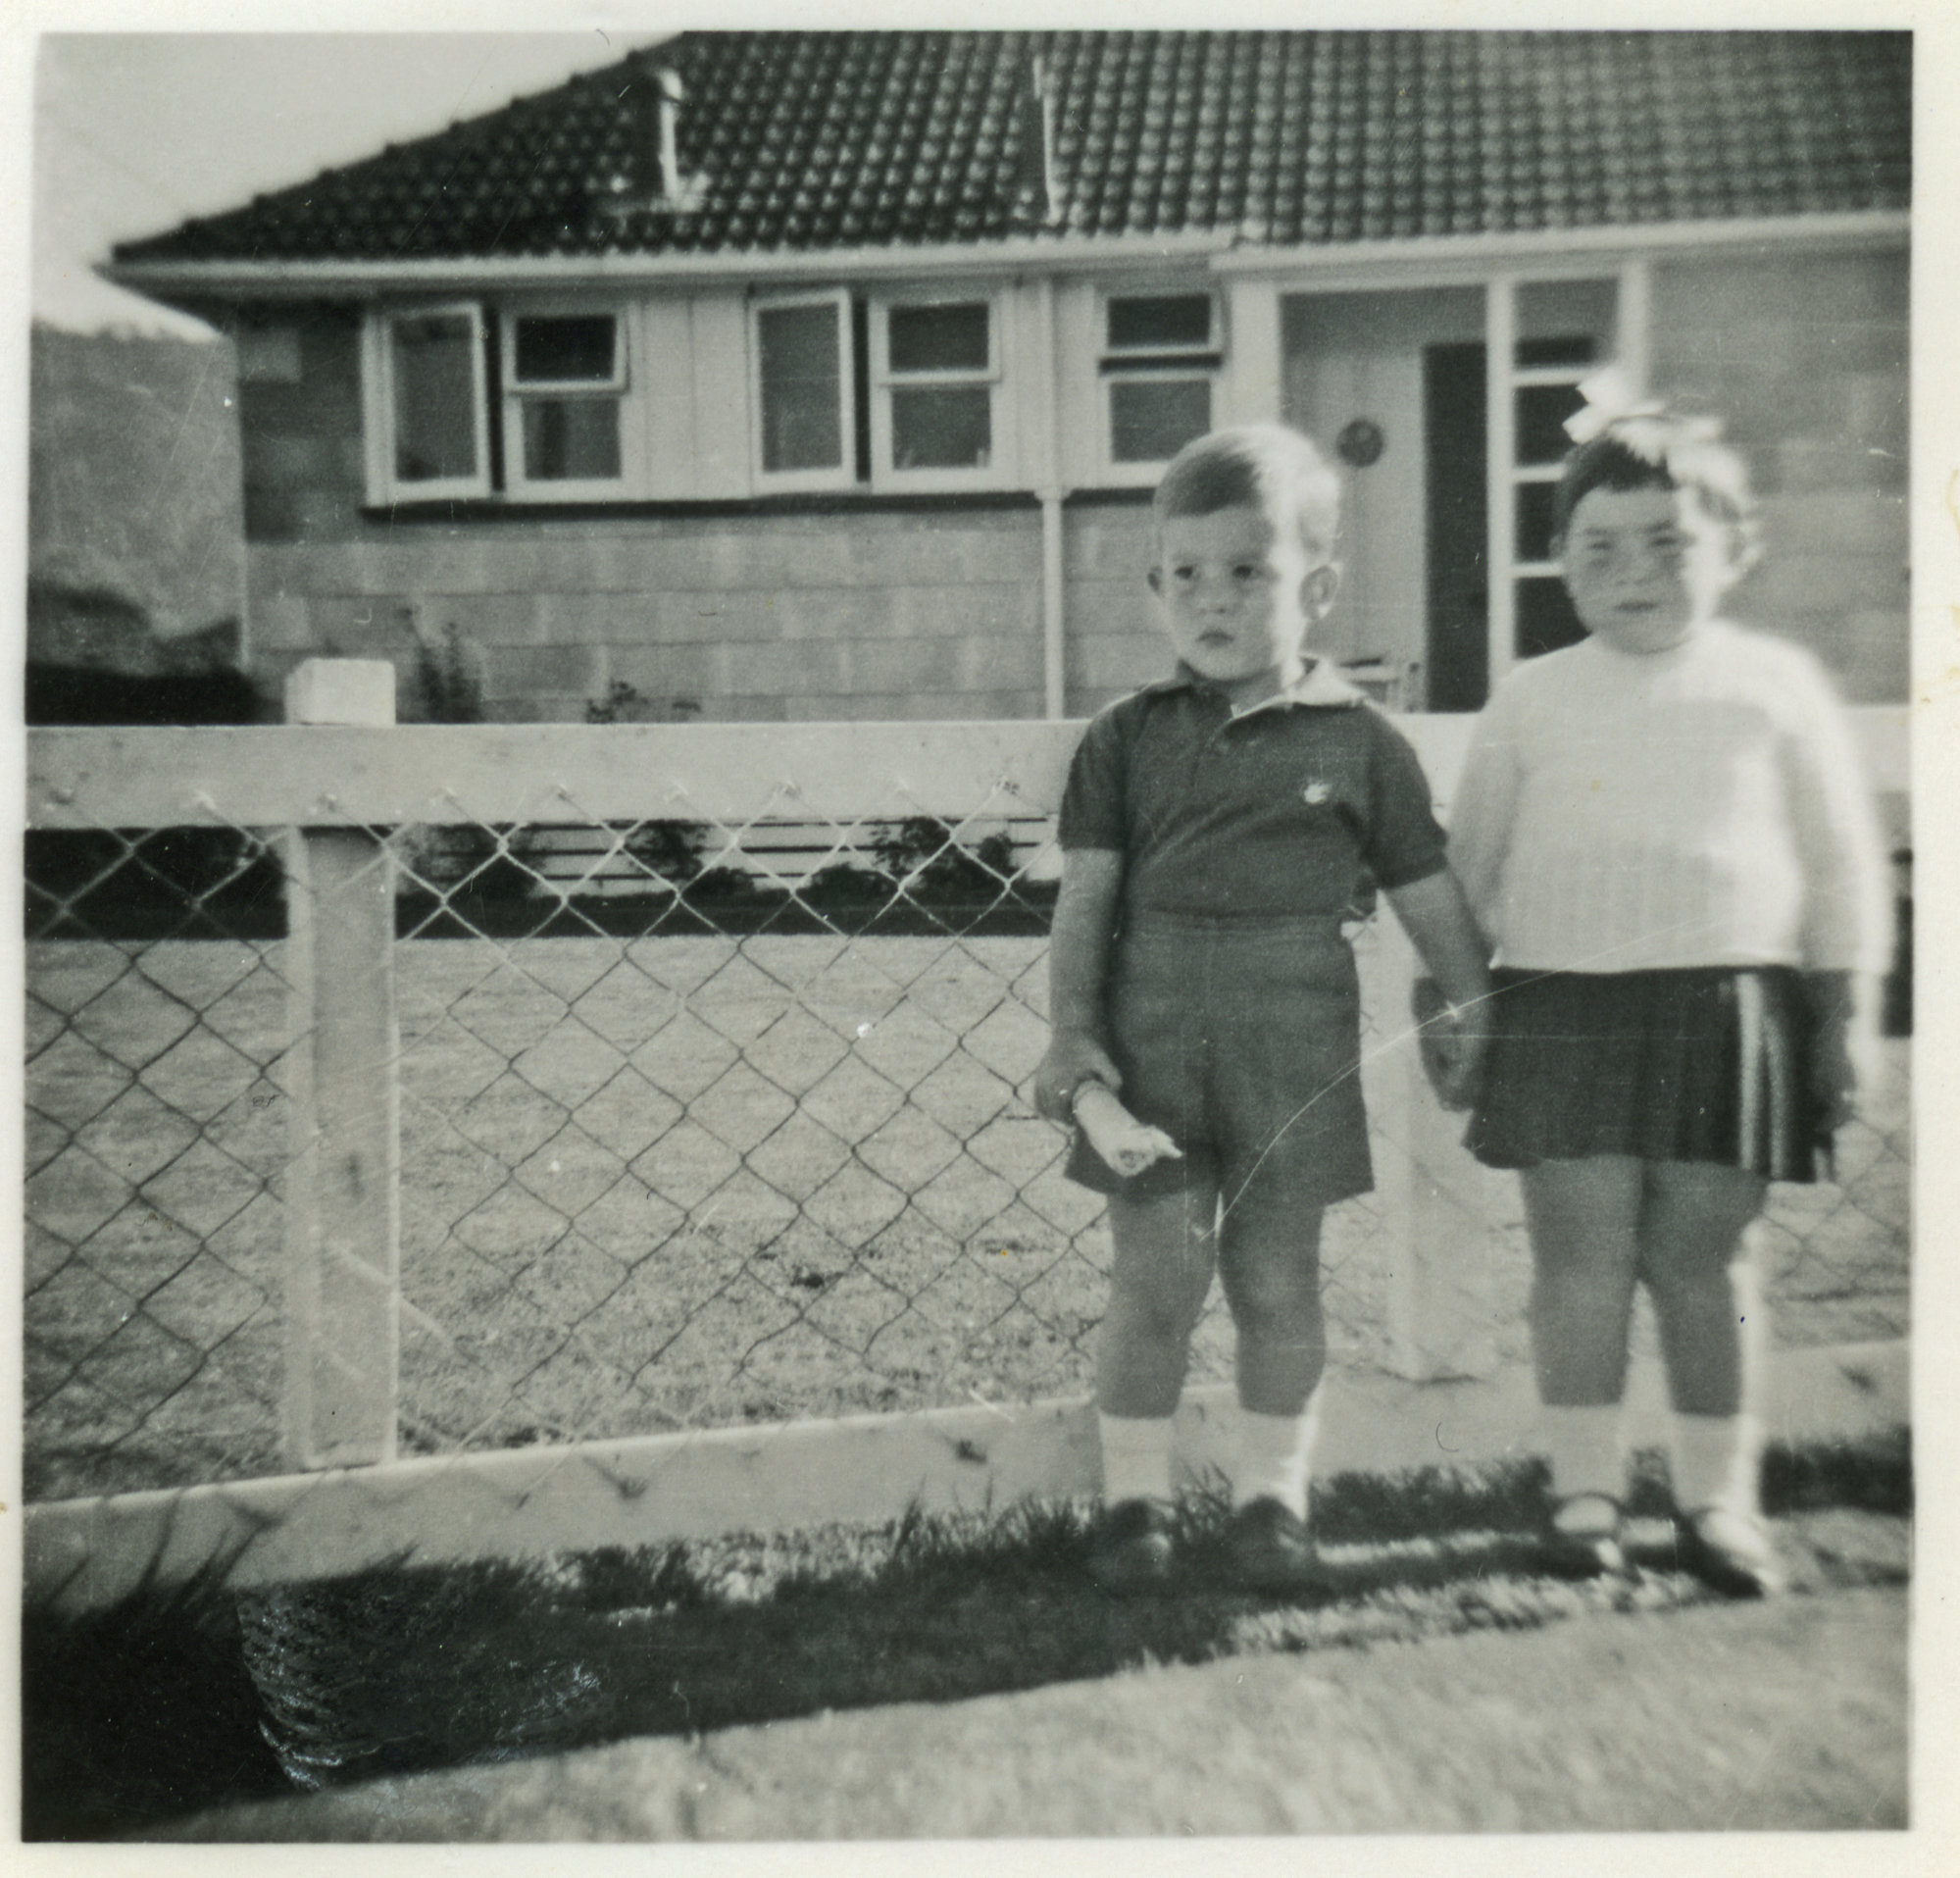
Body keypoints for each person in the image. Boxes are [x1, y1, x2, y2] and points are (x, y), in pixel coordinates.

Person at [1443, 378, 1892, 1597]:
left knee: (1707, 1266)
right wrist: (1452, 1006)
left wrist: (1841, 1017)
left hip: (1726, 1010)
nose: (1633, 572)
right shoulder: (1531, 696)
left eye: (1668, 545)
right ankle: (1583, 1495)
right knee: (1578, 1264)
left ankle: (1717, 1503)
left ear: (1733, 552)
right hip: (1562, 1008)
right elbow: (1468, 871)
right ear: (1556, 561)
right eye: (1600, 548)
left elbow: (1841, 862)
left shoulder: (1773, 685)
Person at [1032, 423, 1491, 1595]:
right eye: (1185, 573)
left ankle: (1271, 1503)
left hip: (1294, 1050)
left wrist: (1470, 995)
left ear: (1319, 587)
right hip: (1148, 1056)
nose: (1213, 598)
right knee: (1156, 1282)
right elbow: (1085, 902)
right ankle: (1132, 1507)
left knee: (1278, 1280)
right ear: (1154, 588)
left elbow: (1422, 888)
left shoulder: (1361, 742)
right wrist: (1072, 1031)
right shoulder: (1126, 740)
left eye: (1248, 570)